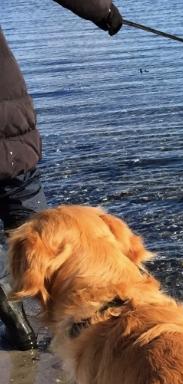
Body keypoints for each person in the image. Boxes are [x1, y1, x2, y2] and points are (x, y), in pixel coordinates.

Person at [0, 0, 123, 350]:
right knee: (33, 220)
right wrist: (104, 11)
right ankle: (66, 325)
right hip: (6, 123)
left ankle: (18, 323)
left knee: (30, 216)